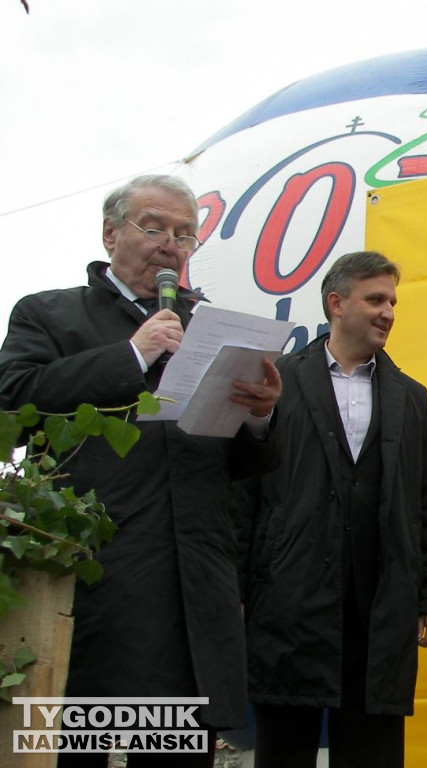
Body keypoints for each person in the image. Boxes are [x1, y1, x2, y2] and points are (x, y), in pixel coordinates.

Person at [0, 174, 282, 767]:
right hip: (99, 570)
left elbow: (242, 467)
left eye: (185, 233)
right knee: (81, 742)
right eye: (153, 227)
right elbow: (13, 404)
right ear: (111, 234)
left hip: (193, 579)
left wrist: (258, 417)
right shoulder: (50, 314)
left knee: (179, 749)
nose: (170, 244)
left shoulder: (211, 323)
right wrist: (133, 354)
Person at [243, 250, 427, 768]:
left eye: (392, 301)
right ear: (336, 303)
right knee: (285, 745)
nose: (388, 312)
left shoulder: (411, 397)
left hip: (380, 604)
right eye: (376, 299)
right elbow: (245, 490)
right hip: (291, 599)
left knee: (373, 750)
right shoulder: (277, 381)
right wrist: (241, 590)